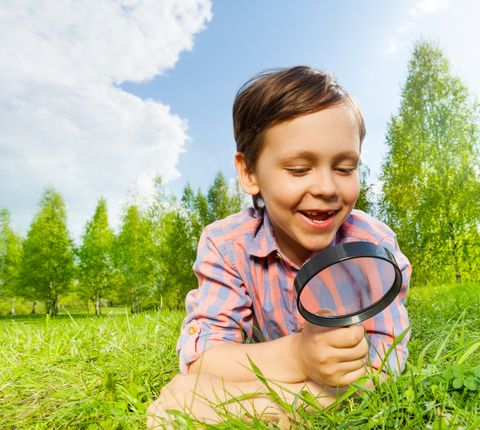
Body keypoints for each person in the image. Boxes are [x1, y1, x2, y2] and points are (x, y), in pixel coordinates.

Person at [147, 66, 411, 427]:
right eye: (300, 169)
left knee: (188, 395)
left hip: (326, 383)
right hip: (297, 372)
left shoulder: (372, 246)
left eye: (346, 168)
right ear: (249, 173)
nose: (327, 188)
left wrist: (253, 402)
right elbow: (203, 358)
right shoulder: (226, 245)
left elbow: (381, 369)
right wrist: (298, 357)